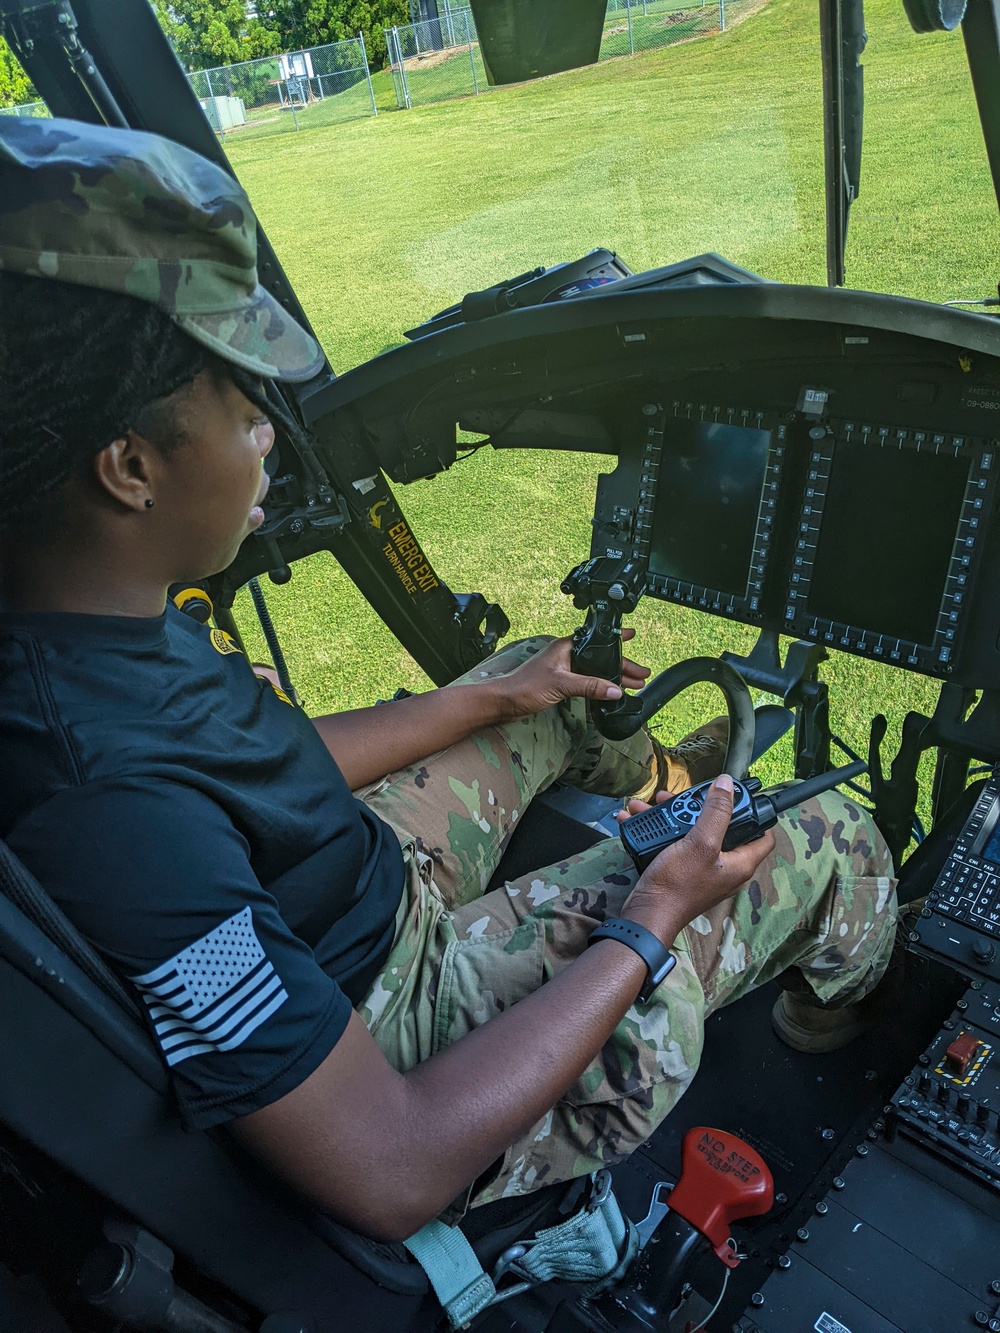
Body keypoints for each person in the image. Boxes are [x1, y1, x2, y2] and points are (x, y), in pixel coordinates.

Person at [0, 116, 898, 1242]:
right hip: (397, 1022)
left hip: (341, 883)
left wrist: (494, 697)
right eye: (243, 414)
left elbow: (244, 770)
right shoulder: (113, 817)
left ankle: (661, 783)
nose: (270, 439)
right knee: (835, 842)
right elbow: (392, 1164)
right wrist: (657, 906)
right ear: (129, 468)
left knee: (544, 673)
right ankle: (834, 1012)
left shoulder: (77, 611)